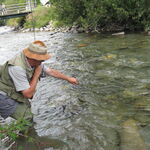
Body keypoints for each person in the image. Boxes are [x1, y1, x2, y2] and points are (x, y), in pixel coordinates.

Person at [0, 40, 78, 122]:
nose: (43, 61)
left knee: (27, 109)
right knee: (27, 118)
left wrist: (68, 78)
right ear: (33, 58)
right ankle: (24, 134)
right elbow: (28, 94)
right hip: (2, 94)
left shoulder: (33, 61)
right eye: (41, 60)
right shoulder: (17, 68)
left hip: (11, 90)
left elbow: (50, 72)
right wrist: (37, 74)